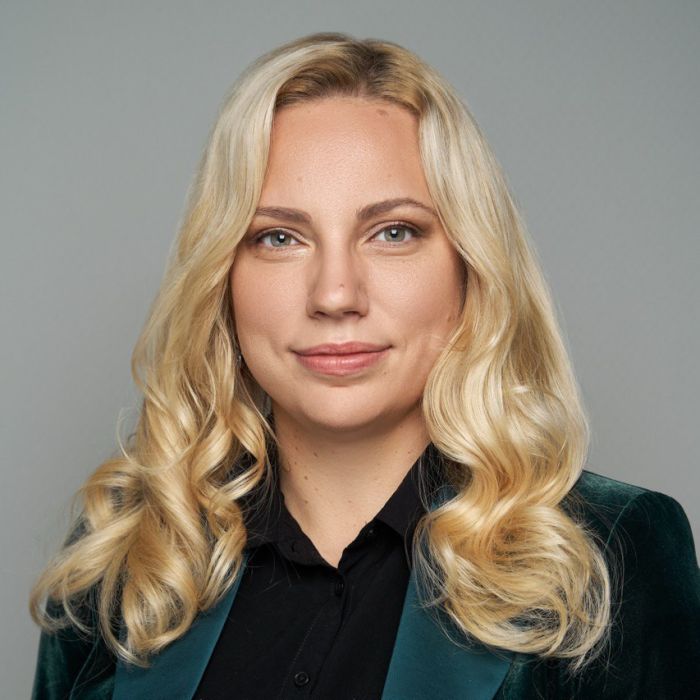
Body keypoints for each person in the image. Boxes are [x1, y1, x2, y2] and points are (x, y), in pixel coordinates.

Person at [30, 31, 699, 700]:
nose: (335, 294)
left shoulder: (613, 550)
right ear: (222, 276)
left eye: (393, 232)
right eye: (279, 237)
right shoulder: (127, 554)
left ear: (469, 266)